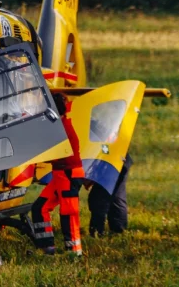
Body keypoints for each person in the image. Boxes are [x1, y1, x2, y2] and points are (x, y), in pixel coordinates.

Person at [31, 93, 85, 256]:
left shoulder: (61, 128)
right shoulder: (60, 123)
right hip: (61, 175)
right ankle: (47, 248)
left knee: (68, 213)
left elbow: (53, 151)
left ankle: (74, 252)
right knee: (39, 207)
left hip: (68, 175)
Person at [88, 153, 132, 237]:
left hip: (109, 159)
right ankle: (118, 231)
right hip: (120, 157)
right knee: (117, 196)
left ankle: (96, 233)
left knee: (98, 199)